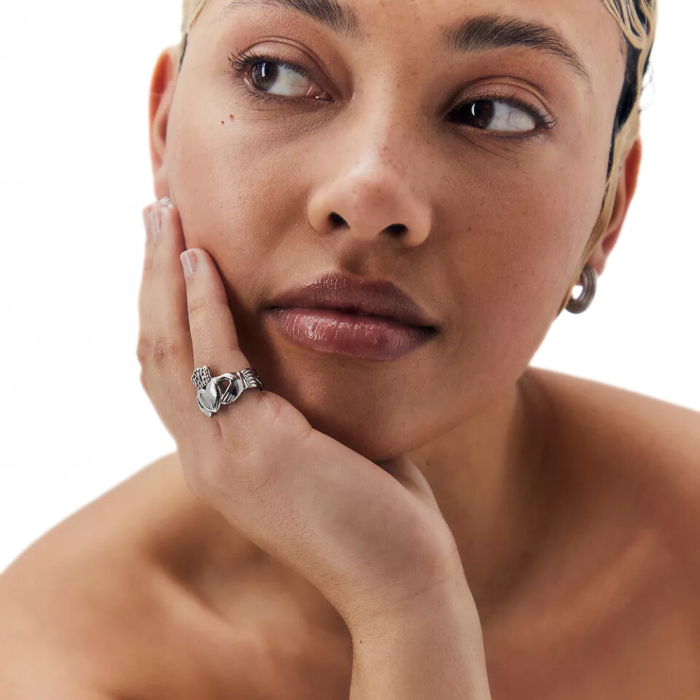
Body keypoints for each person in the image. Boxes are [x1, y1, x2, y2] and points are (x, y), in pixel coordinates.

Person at [2, 0, 698, 697]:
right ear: (163, 132)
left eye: (492, 113)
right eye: (275, 74)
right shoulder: (49, 668)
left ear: (608, 208)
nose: (368, 196)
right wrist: (405, 604)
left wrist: (407, 608)